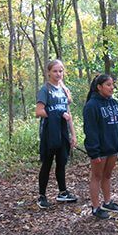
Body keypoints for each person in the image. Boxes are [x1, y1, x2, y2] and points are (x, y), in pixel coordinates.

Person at [83, 74, 118, 219]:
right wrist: (94, 152)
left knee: (108, 175)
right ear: (99, 87)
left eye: (112, 84)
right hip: (100, 150)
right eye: (108, 85)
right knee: (96, 176)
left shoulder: (114, 103)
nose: (112, 88)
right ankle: (96, 207)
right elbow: (90, 130)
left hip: (113, 147)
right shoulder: (91, 105)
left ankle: (107, 202)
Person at [35, 59, 78, 209]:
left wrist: (73, 134)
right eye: (55, 71)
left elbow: (68, 115)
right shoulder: (45, 89)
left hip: (63, 131)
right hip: (49, 132)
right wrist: (58, 113)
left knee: (62, 162)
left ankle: (62, 192)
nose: (58, 74)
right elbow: (38, 111)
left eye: (60, 71)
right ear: (48, 73)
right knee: (47, 163)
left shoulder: (64, 90)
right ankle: (42, 196)